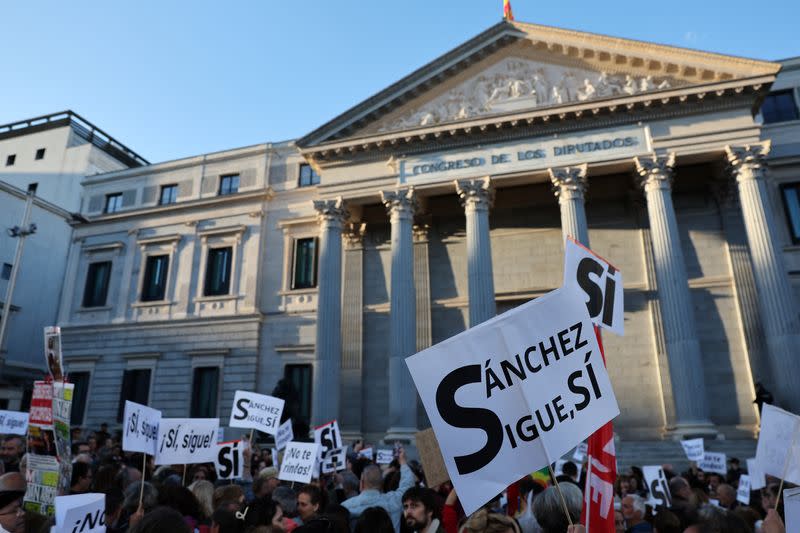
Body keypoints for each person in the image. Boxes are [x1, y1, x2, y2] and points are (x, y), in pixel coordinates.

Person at [342, 447, 415, 532]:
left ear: (361, 483)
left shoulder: (346, 507)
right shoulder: (394, 501)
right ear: (382, 484)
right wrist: (403, 462)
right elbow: (408, 485)